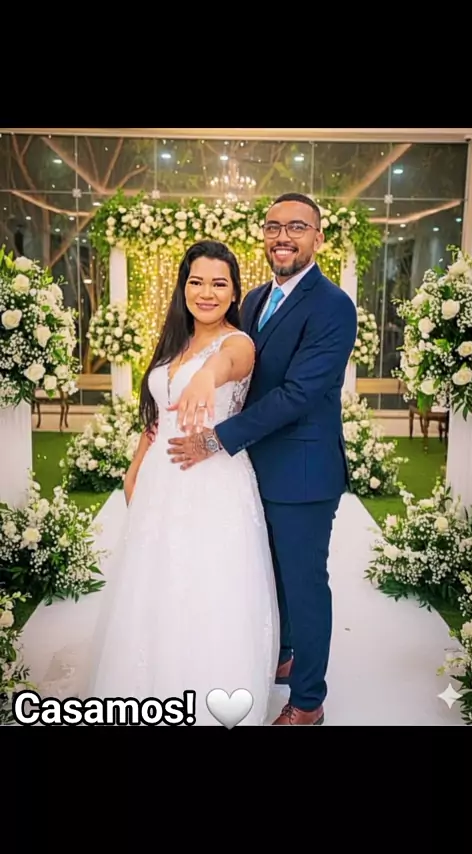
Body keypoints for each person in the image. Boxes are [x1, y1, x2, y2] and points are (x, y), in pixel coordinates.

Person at [167, 193, 358, 726]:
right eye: (273, 226)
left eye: (296, 227)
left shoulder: (333, 305)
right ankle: (283, 653)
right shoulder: (252, 299)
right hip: (252, 468)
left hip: (302, 472)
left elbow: (298, 394)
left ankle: (308, 700)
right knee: (268, 574)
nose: (283, 236)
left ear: (318, 237)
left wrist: (216, 439)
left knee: (304, 585)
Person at [84, 239, 280, 725]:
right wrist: (135, 469)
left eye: (219, 283)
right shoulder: (174, 340)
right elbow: (157, 418)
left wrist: (204, 377)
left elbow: (225, 366)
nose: (206, 293)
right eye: (196, 281)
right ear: (183, 286)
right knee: (152, 587)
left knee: (205, 587)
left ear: (234, 292)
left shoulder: (237, 343)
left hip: (212, 483)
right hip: (159, 483)